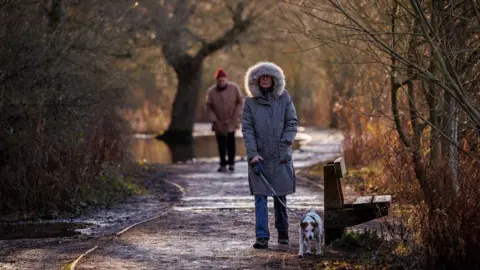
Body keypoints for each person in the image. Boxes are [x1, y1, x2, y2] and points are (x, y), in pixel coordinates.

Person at [241, 62, 298, 249]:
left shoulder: (284, 98)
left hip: (280, 155)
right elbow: (247, 129)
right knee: (260, 197)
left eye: (268, 77)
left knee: (280, 196)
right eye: (261, 77)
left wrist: (286, 142)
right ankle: (262, 237)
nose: (265, 80)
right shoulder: (249, 103)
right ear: (256, 80)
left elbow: (292, 122)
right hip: (260, 158)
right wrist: (252, 154)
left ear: (274, 79)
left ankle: (283, 233)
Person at [205, 68, 244, 172]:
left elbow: (240, 102)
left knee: (231, 142)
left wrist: (236, 116)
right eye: (219, 81)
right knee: (221, 143)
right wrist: (213, 119)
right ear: (216, 81)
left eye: (223, 80)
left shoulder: (234, 88)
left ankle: (231, 163)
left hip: (232, 120)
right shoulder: (211, 92)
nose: (221, 82)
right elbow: (209, 107)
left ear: (226, 79)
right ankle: (223, 163)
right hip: (218, 121)